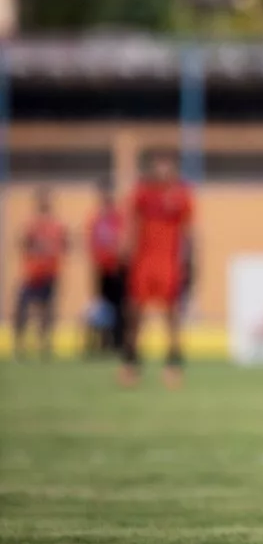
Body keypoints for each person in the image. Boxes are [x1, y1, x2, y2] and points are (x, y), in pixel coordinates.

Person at [119, 149, 194, 389]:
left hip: (169, 264)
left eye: (167, 165)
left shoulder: (182, 196)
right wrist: (126, 253)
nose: (162, 170)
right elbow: (130, 225)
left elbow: (189, 233)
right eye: (158, 165)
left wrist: (190, 263)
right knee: (134, 316)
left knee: (172, 318)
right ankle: (131, 364)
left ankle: (173, 366)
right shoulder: (141, 194)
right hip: (143, 263)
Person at [14, 187, 68, 359]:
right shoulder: (32, 225)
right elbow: (23, 243)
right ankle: (20, 344)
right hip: (32, 274)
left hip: (50, 273)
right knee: (22, 308)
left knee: (47, 310)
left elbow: (65, 244)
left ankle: (45, 344)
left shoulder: (57, 225)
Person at [87, 180, 126, 352]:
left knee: (120, 306)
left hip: (118, 270)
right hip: (102, 269)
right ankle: (105, 342)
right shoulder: (95, 219)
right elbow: (92, 245)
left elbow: (123, 242)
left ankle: (119, 341)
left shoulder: (119, 218)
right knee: (104, 306)